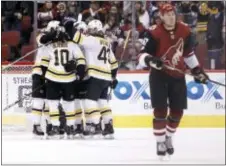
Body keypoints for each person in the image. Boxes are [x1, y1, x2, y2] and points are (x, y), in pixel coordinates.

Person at [137, 3, 209, 158]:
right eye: (167, 14)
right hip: (159, 76)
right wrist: (150, 60)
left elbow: (188, 54)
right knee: (160, 111)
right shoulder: (154, 33)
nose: (171, 16)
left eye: (173, 14)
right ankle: (160, 141)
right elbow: (141, 56)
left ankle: (168, 137)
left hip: (178, 76)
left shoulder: (184, 30)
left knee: (177, 112)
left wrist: (197, 71)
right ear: (161, 17)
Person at [71, 19, 118, 137]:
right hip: (106, 77)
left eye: (91, 29)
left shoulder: (91, 40)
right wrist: (113, 77)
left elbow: (76, 38)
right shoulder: (107, 42)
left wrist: (78, 28)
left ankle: (96, 125)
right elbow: (114, 64)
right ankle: (108, 126)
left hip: (95, 76)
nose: (89, 31)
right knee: (102, 102)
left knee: (89, 102)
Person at [40, 22, 86, 139]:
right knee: (68, 104)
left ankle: (55, 127)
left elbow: (44, 63)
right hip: (68, 79)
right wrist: (79, 74)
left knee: (53, 104)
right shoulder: (72, 44)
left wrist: (45, 76)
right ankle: (69, 127)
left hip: (53, 78)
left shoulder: (50, 45)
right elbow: (81, 61)